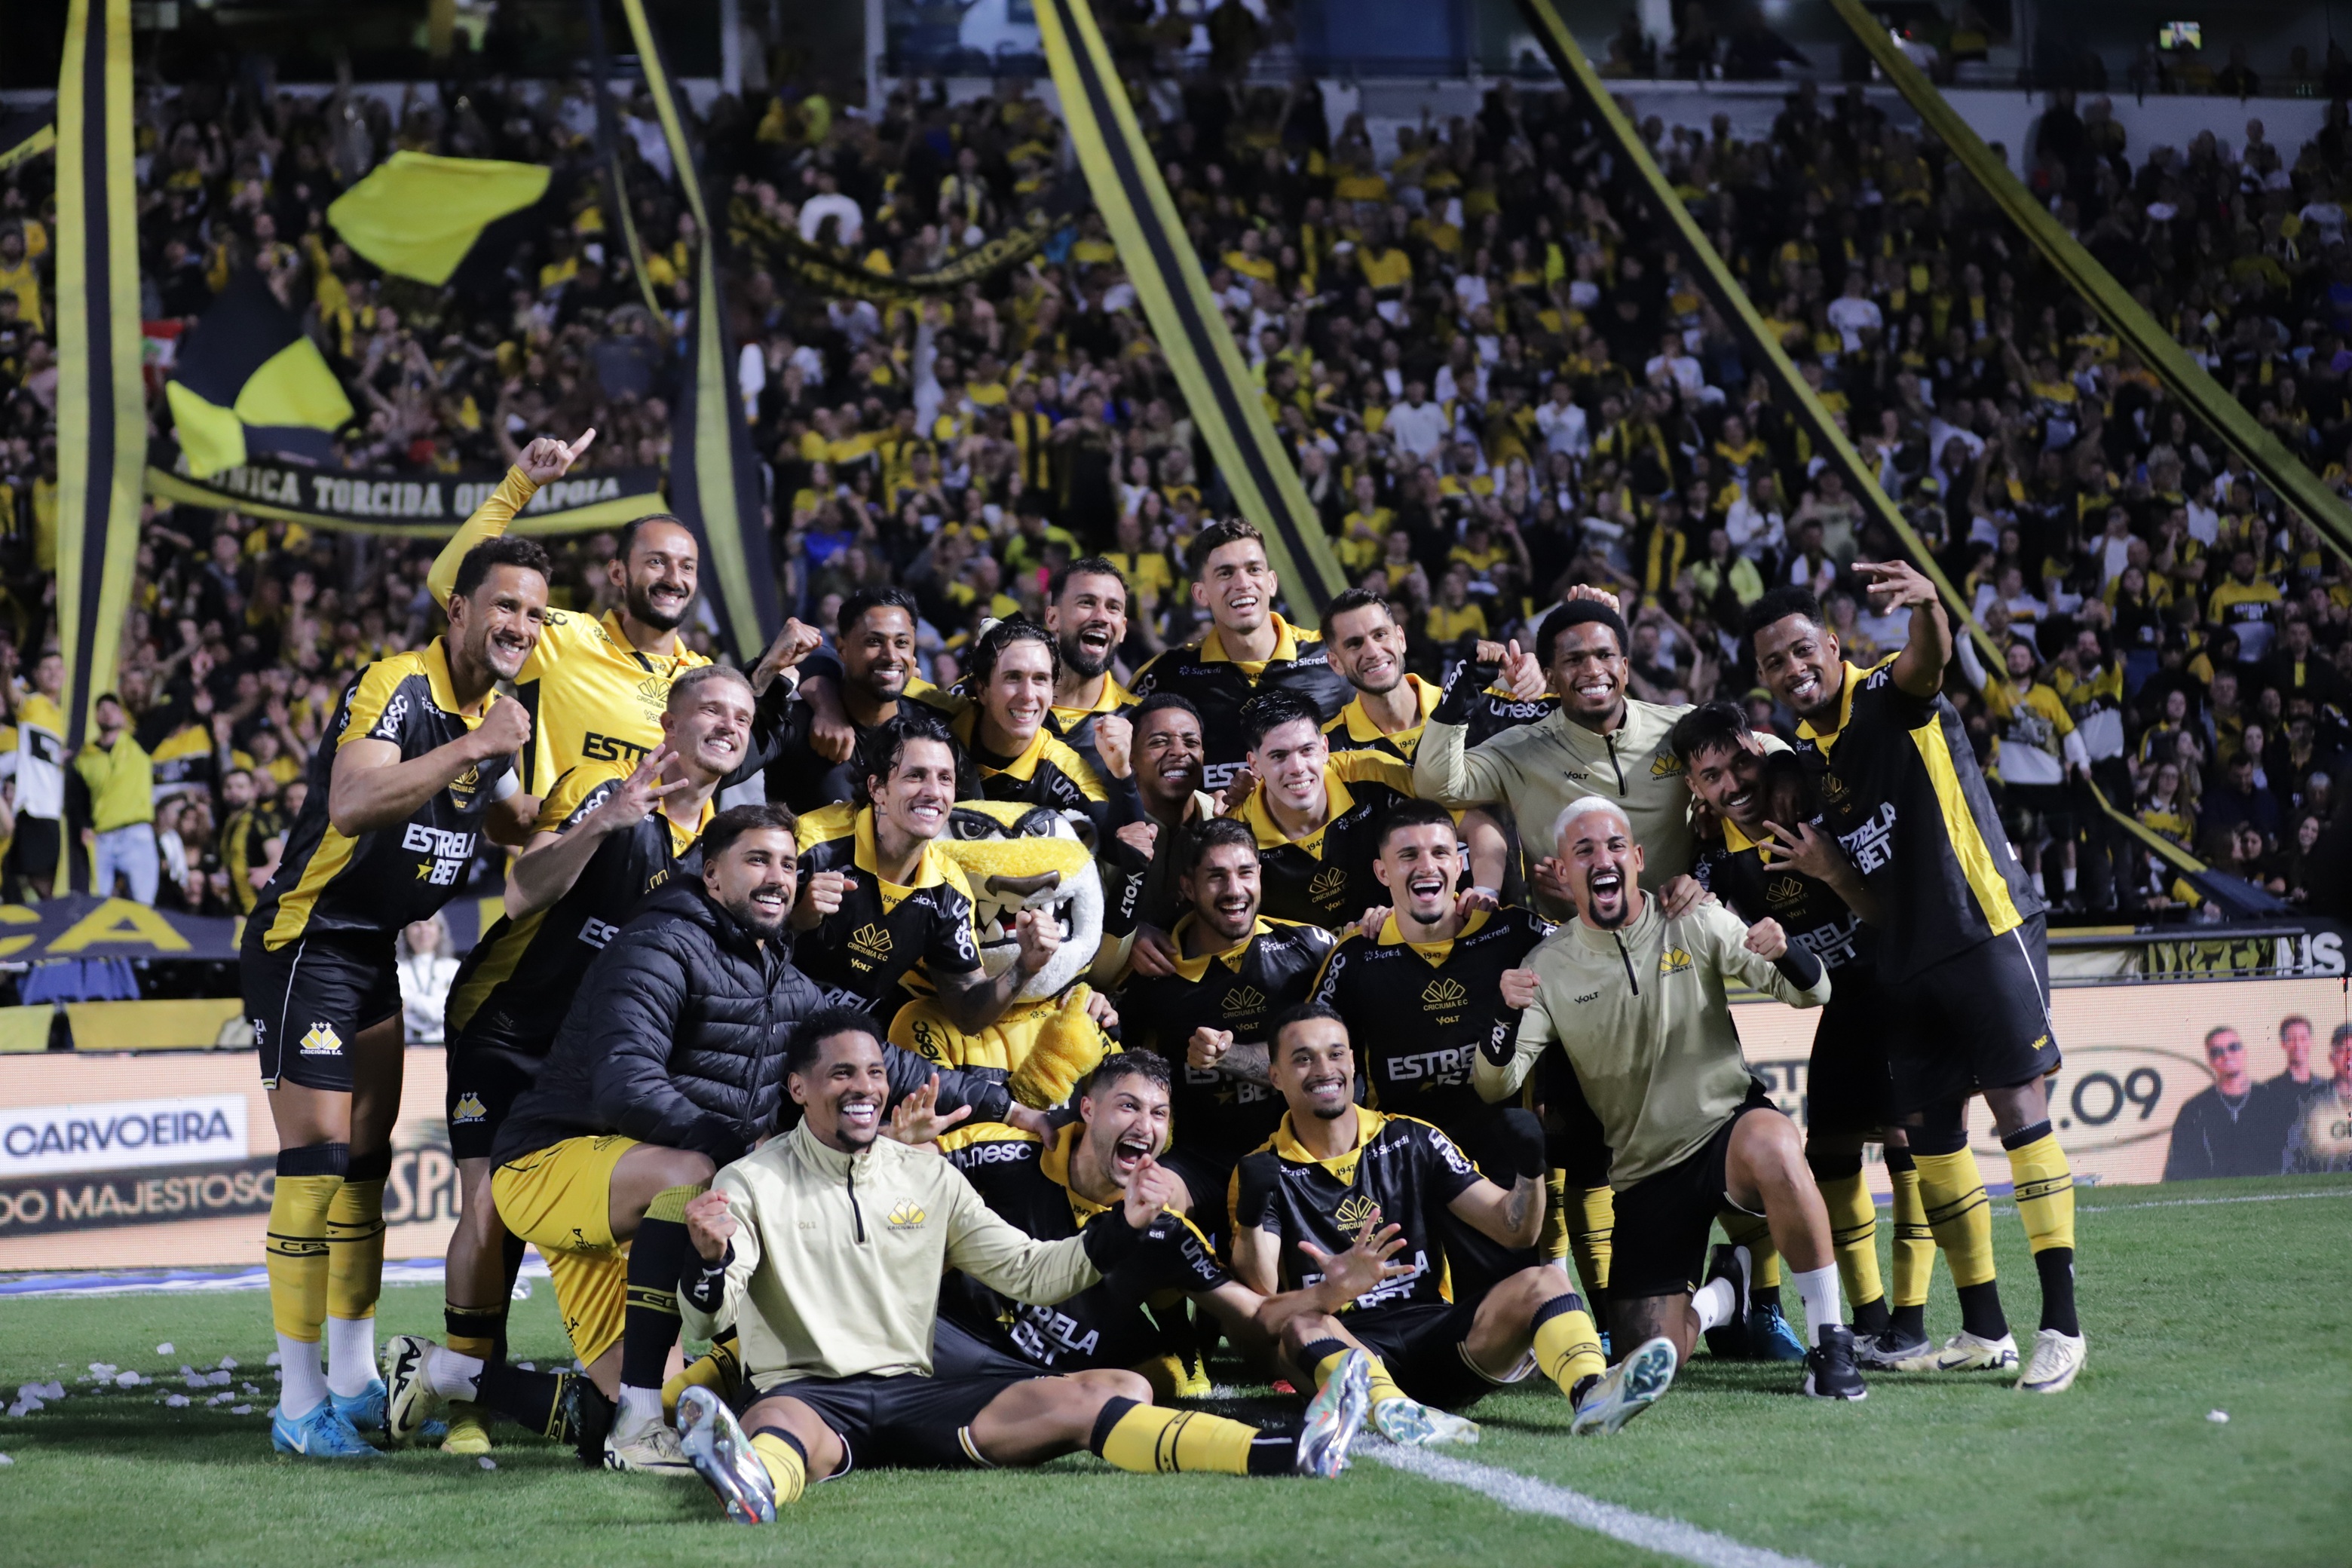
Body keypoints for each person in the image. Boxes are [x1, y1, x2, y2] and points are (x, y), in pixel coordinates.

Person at [384, 807, 1019, 1470]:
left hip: (636, 1206)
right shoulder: (658, 942)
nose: (778, 877)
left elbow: (886, 1065)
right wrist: (737, 1153)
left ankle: (439, 1372)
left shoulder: (775, 972)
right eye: (758, 861)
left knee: (656, 1403)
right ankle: (635, 1419)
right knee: (691, 1174)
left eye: (788, 864)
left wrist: (1019, 1107)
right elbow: (626, 1082)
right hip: (550, 1167)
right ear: (711, 875)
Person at [660, 1009, 1374, 1525]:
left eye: (875, 1072)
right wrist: (711, 1260)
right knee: (777, 1423)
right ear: (798, 1089)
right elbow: (708, 1317)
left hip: (922, 1390)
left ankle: (1286, 1451)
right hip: (812, 1391)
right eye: (842, 1073)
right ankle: (756, 1481)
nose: (865, 1088)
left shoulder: (924, 1176)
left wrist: (1120, 1232)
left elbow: (1033, 1272)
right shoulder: (753, 1179)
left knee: (1082, 1402)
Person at [244, 534, 550, 1459]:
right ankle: (298, 1407)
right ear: (457, 609)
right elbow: (350, 803)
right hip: (306, 941)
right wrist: (477, 745)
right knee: (317, 1163)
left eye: (535, 614)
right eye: (505, 605)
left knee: (367, 1170)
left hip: (370, 950)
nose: (521, 626)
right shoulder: (395, 685)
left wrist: (598, 800)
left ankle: (352, 1381)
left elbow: (508, 824)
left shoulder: (494, 714)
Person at [1748, 568, 2087, 1393]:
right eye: (1773, 661)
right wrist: (1829, 869)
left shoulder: (1884, 696)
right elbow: (1867, 895)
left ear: (1832, 646)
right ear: (1762, 678)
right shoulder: (1813, 767)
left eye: (1803, 649)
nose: (1793, 667)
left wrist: (1932, 604)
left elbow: (1927, 667)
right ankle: (1984, 1328)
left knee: (2017, 1106)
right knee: (1932, 1138)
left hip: (1982, 928)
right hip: (1904, 956)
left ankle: (2063, 1327)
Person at [433, 665, 763, 1455]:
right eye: (710, 709)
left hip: (599, 1059)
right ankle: (466, 1399)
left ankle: (603, 1388)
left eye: (742, 716)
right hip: (509, 1027)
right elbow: (521, 891)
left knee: (634, 1200)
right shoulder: (603, 784)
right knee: (487, 1208)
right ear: (668, 728)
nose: (726, 724)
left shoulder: (720, 847)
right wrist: (600, 825)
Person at [1479, 798, 1865, 1401]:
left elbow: (1812, 993)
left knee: (1778, 1146)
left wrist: (1784, 947)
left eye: (1612, 847)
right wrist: (1504, 1013)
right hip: (1643, 1173)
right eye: (1583, 851)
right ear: (1561, 871)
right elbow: (1494, 1083)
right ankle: (1724, 1297)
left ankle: (1831, 1342)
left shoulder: (1694, 918)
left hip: (1724, 1129)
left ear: (1635, 859)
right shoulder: (1547, 967)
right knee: (1648, 1355)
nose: (1600, 859)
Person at [1673, 701, 1943, 1368]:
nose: (1733, 784)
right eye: (1712, 776)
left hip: (1899, 982)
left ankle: (1909, 1324)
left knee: (1910, 1149)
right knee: (1828, 1156)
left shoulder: (1810, 799)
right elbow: (1710, 916)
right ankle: (1872, 1319)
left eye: (1742, 762)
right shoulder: (1711, 853)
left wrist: (1792, 765)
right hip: (1843, 999)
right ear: (1694, 789)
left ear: (1761, 750)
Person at [1233, 1003, 1634, 1445]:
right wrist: (1256, 1219)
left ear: (1352, 1062)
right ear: (1275, 1076)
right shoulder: (1261, 1170)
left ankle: (1592, 1391)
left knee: (1547, 1279)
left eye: (1335, 1054)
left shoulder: (1412, 1137)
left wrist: (1530, 1170)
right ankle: (1390, 1408)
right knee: (1298, 1327)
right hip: (1343, 1341)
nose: (1324, 1069)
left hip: (1438, 1341)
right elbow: (1262, 1299)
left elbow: (1515, 1229)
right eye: (1303, 1058)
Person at [939, 1050, 1406, 1398]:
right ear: (1087, 1109)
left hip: (1056, 1389)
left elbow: (1253, 1315)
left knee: (1143, 1386)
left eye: (1159, 1114)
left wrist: (1329, 1293)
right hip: (952, 1349)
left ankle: (1379, 1400)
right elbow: (900, 1174)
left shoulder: (1165, 1230)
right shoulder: (1001, 1154)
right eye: (1128, 1106)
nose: (1146, 1125)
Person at [1309, 799, 1607, 1312]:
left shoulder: (1514, 932)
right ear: (1382, 871)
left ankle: (1584, 1299)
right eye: (1408, 856)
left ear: (1460, 863)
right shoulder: (1356, 956)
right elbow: (1308, 1050)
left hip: (1499, 1167)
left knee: (1511, 1318)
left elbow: (1602, 968)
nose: (1426, 867)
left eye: (1440, 853)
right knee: (1403, 1321)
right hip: (1398, 1174)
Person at [1414, 590, 1759, 902]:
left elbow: (1760, 747)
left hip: (1673, 938)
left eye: (1605, 655)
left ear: (1624, 669)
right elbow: (1437, 785)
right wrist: (1459, 696)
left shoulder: (1677, 727)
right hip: (1571, 951)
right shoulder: (1520, 750)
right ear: (1550, 679)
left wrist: (1785, 765)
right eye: (1574, 660)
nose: (1593, 670)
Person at [429, 433, 715, 796]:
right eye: (657, 562)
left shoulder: (704, 682)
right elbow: (452, 584)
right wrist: (520, 485)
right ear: (617, 574)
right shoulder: (566, 638)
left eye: (686, 567)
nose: (674, 579)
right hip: (555, 850)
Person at [1119, 816, 1336, 1246]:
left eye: (1245, 872)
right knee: (1146, 1208)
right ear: (1187, 887)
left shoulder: (1311, 949)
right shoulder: (1153, 971)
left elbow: (1318, 1062)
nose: (1235, 890)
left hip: (1297, 1151)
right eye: (1216, 876)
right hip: (1200, 1160)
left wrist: (1226, 1056)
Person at [791, 712, 1047, 1027]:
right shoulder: (810, 844)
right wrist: (797, 919)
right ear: (877, 788)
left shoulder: (949, 888)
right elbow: (730, 945)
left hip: (849, 1048)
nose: (933, 792)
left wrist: (1025, 966)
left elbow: (967, 1013)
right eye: (915, 776)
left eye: (945, 778)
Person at [1129, 519, 1351, 792]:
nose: (1243, 583)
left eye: (1253, 569)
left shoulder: (1333, 657)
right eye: (1225, 573)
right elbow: (1116, 752)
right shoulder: (1168, 673)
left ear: (1271, 582)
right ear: (1201, 593)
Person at [1223, 688, 1432, 929]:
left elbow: (1464, 821)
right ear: (1254, 765)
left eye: (1306, 750)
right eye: (1279, 756)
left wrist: (1482, 891)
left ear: (1324, 748)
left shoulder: (1375, 772)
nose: (1297, 768)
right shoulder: (1236, 835)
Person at [944, 618, 1141, 844]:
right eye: (1013, 677)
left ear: (1051, 694)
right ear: (982, 688)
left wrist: (1122, 773)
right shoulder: (942, 721)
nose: (1028, 695)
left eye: (1040, 679)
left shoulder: (1064, 768)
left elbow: (1120, 844)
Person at [762, 588, 947, 813]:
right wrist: (826, 703)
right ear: (842, 648)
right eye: (874, 641)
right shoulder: (798, 726)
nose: (891, 656)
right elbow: (817, 653)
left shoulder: (935, 729)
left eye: (901, 643)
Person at [1041, 557, 1138, 782]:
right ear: (1053, 618)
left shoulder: (1138, 722)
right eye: (1086, 603)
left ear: (1123, 630)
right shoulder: (1005, 697)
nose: (1102, 617)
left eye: (1113, 608)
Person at [2163, 1027, 2298, 1180]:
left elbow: (2294, 1158)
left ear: (2244, 1052)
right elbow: (2178, 1168)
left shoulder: (2275, 1101)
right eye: (2217, 1052)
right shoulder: (2194, 1109)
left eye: (2233, 1048)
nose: (2227, 1055)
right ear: (2210, 1060)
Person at [74, 692, 159, 904]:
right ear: (95, 717)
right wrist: (83, 825)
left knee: (144, 907)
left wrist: (192, 681)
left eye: (113, 708)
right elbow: (77, 799)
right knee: (96, 906)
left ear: (122, 716)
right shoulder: (84, 758)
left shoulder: (140, 742)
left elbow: (170, 714)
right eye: (102, 709)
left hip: (136, 832)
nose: (107, 713)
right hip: (102, 837)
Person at [2283, 1024, 2352, 1174]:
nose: (2349, 1057)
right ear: (2332, 1057)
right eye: (2343, 1050)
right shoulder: (2311, 1101)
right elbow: (2293, 1154)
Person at [396, 917, 458, 1046]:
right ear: (406, 933)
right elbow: (396, 1013)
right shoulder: (396, 969)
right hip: (408, 1047)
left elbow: (449, 1011)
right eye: (416, 925)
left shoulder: (454, 968)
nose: (424, 930)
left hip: (446, 1047)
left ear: (440, 930)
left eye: (429, 924)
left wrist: (411, 1002)